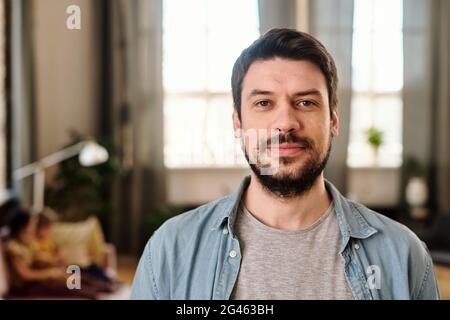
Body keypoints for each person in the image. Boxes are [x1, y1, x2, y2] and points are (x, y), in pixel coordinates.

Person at [131, 28, 440, 300]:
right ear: (237, 122)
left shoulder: (404, 255)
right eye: (264, 103)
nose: (286, 123)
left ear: (333, 120)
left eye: (306, 102)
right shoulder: (170, 250)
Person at [4, 209, 112, 299]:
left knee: (72, 274)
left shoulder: (26, 244)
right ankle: (95, 294)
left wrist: (53, 264)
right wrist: (49, 273)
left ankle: (102, 288)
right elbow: (25, 275)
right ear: (22, 227)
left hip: (36, 281)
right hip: (26, 287)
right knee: (66, 285)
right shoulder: (13, 248)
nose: (34, 228)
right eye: (31, 225)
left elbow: (37, 258)